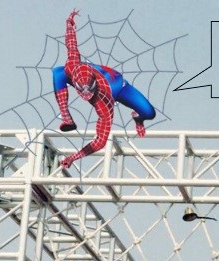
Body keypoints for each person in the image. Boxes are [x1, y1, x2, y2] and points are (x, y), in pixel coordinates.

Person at [52, 10, 156, 169]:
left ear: (94, 85)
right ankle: (66, 117)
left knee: (149, 113)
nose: (87, 96)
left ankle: (138, 118)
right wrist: (69, 25)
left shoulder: (103, 100)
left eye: (89, 93)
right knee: (58, 72)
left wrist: (74, 157)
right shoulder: (72, 66)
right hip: (91, 79)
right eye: (83, 92)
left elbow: (100, 141)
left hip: (121, 89)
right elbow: (71, 43)